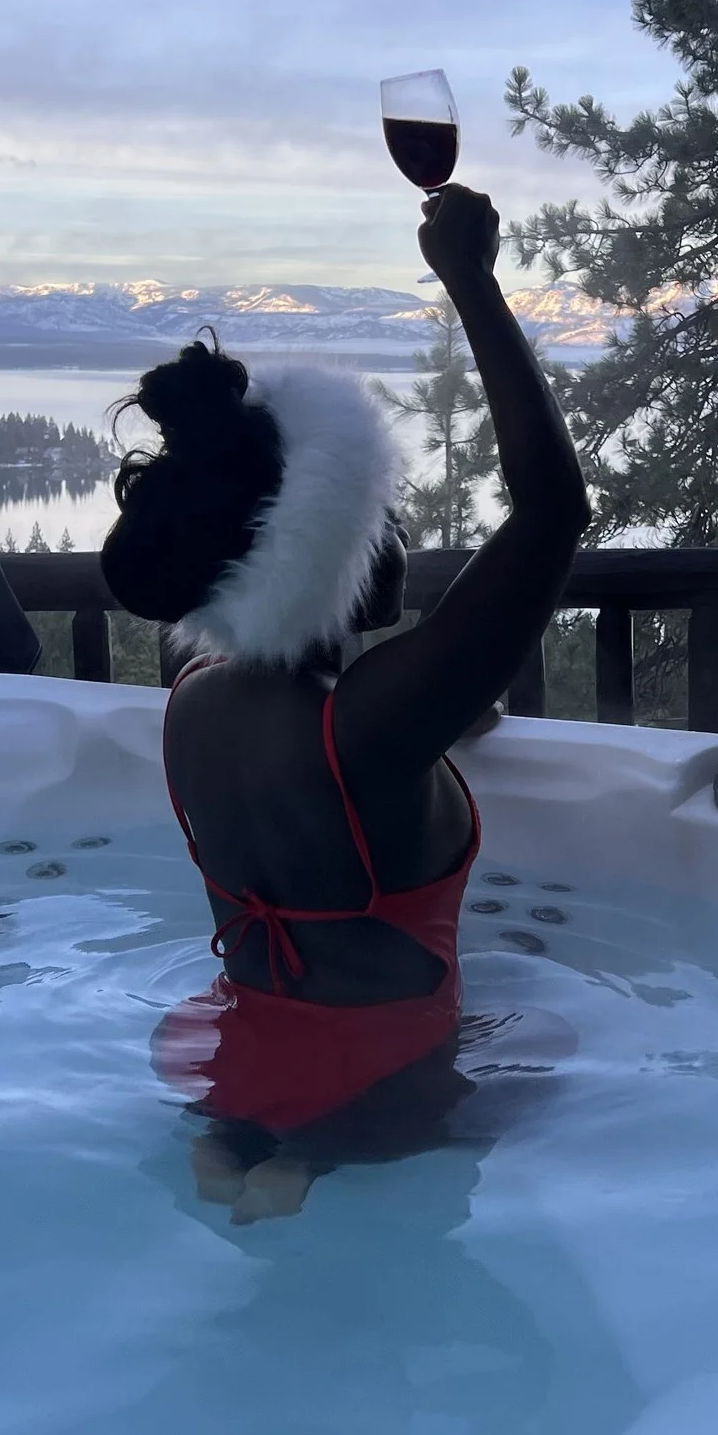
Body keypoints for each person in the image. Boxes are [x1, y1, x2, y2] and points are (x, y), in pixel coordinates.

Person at [101, 185, 590, 1222]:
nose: (400, 536)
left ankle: (247, 1149)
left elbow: (336, 780)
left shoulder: (194, 697)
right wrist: (472, 281)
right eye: (379, 519)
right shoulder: (364, 729)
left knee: (260, 1151)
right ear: (323, 555)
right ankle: (307, 1161)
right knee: (556, 1073)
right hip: (386, 1075)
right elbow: (552, 513)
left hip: (232, 1049)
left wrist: (448, 720)